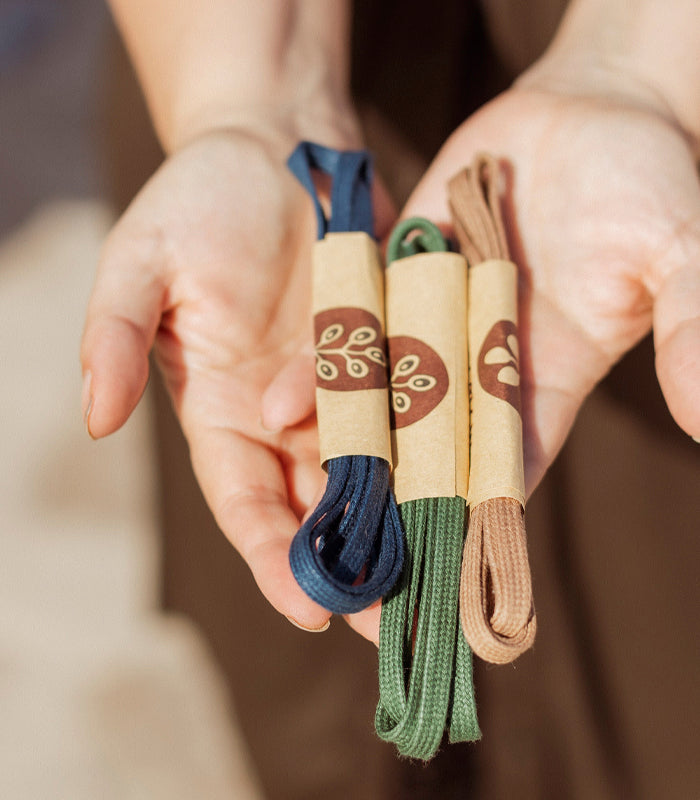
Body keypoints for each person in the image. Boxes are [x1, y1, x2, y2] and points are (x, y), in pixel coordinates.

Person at [82, 0, 700, 795]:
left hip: (660, 106)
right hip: (261, 125)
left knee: (659, 707)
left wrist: (642, 69)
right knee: (320, 737)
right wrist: (245, 100)